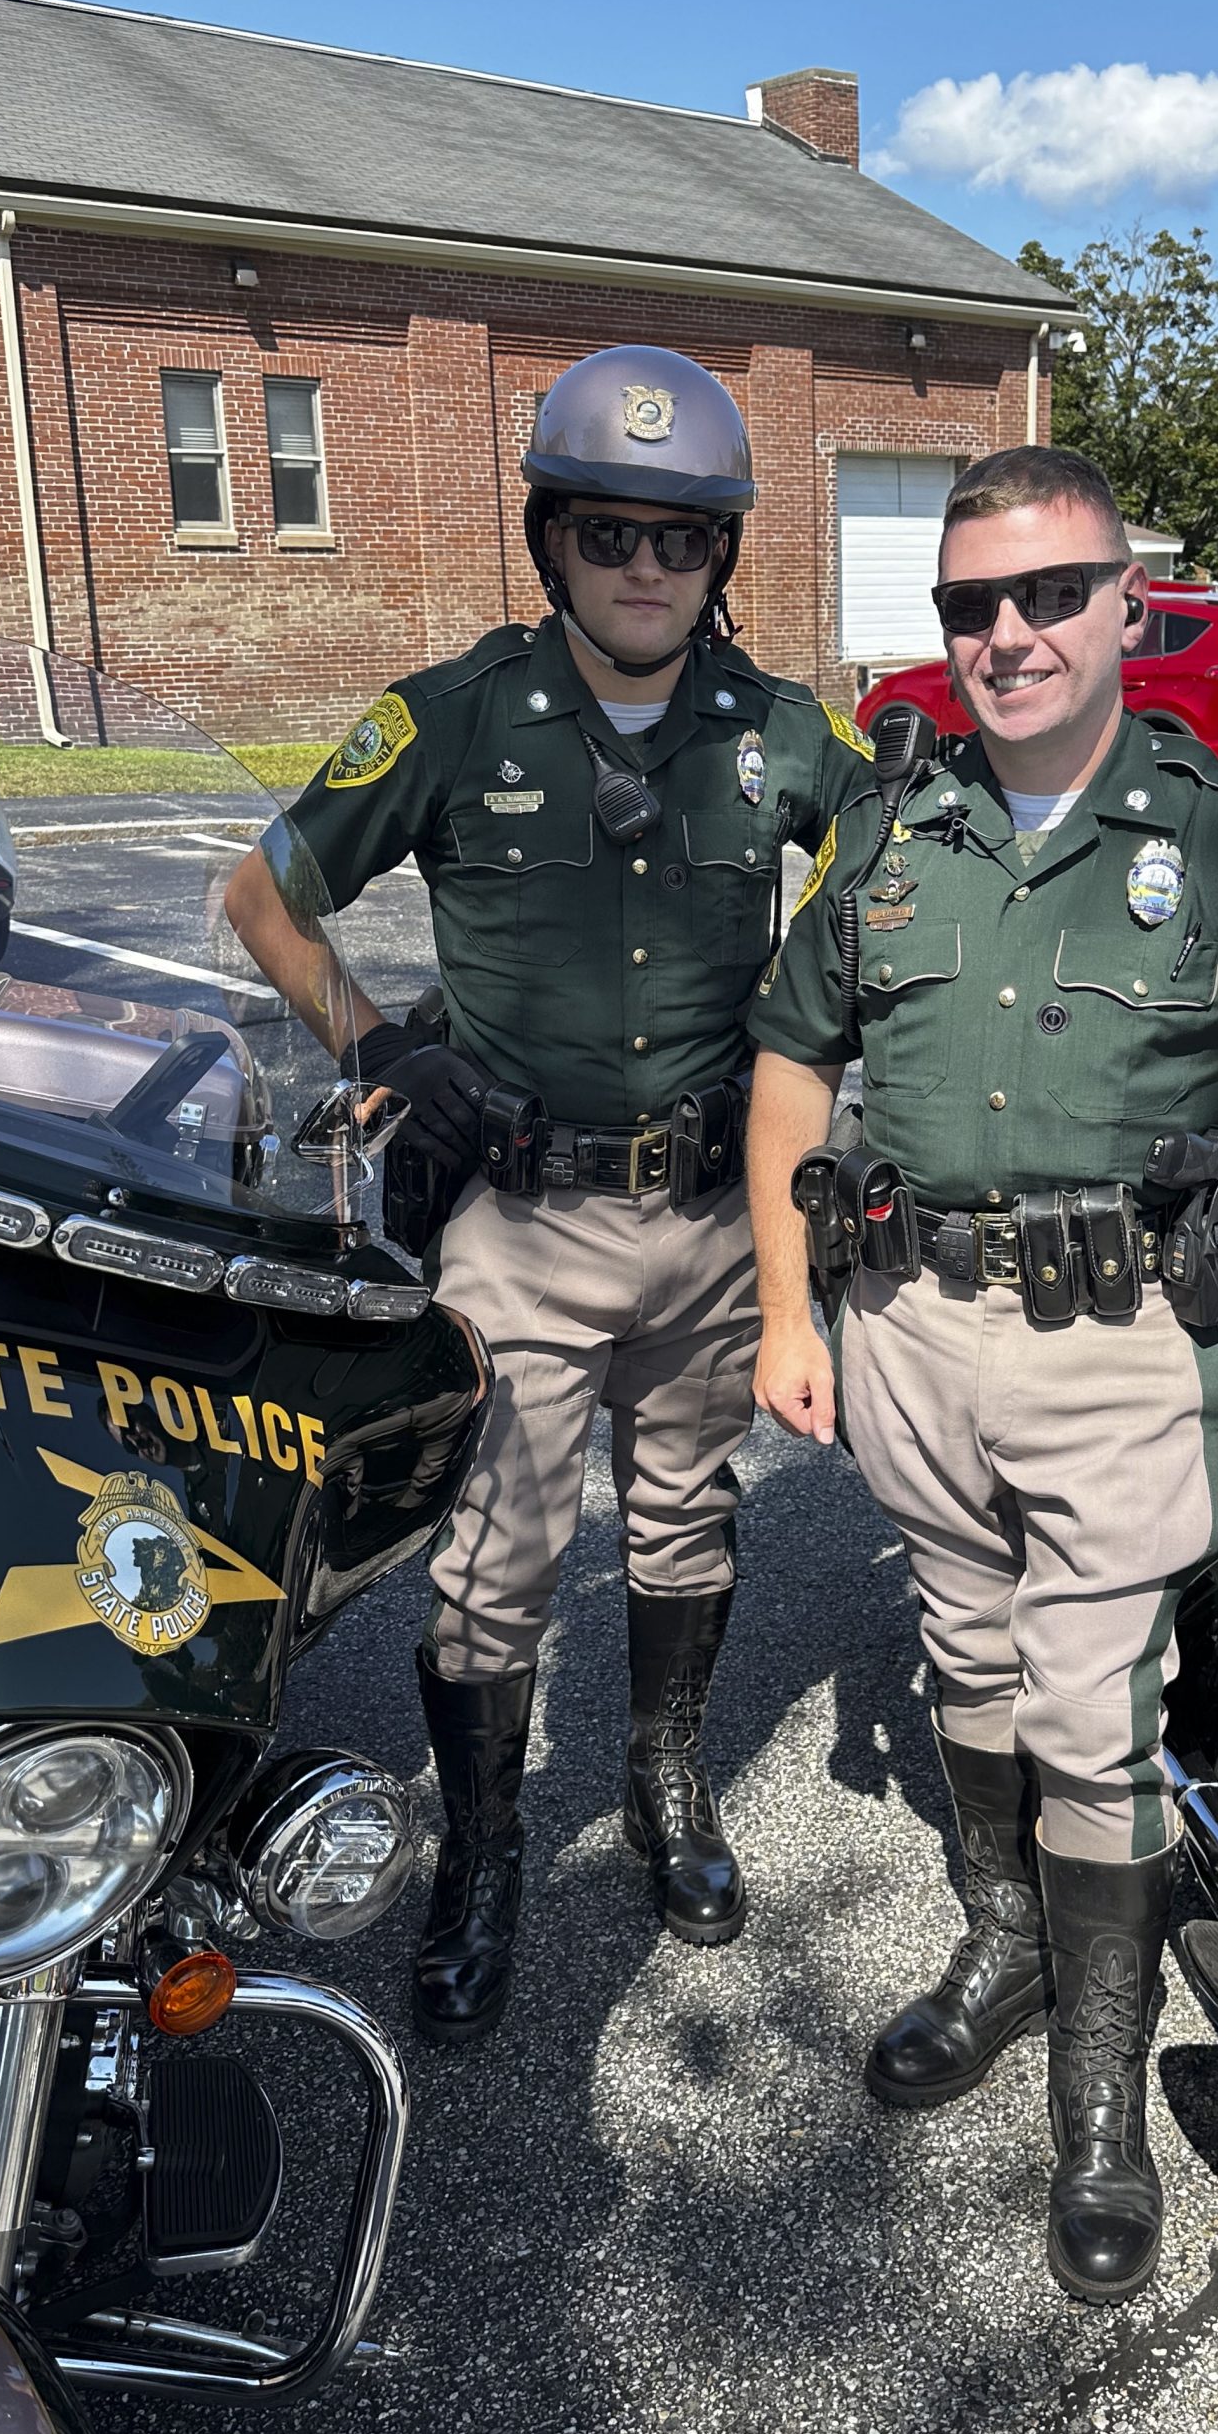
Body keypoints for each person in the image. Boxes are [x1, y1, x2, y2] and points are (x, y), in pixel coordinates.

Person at [744, 444, 1218, 2302]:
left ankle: (1099, 2103)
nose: (1009, 634)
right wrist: (786, 1313)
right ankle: (1005, 1948)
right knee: (966, 1655)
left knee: (1087, 1711)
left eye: (1049, 594)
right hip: (903, 1323)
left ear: (1126, 605)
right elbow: (792, 1063)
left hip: (1116, 1350)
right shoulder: (893, 829)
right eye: (972, 604)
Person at [225, 345, 876, 2043]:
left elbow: (909, 875)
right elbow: (264, 894)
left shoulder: (780, 731)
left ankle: (668, 1782)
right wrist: (381, 1047)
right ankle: (488, 1854)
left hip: (723, 1218)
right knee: (497, 1562)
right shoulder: (456, 716)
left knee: (684, 1518)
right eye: (609, 534)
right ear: (551, 541)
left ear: (724, 555)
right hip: (517, 1220)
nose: (646, 568)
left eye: (682, 539)